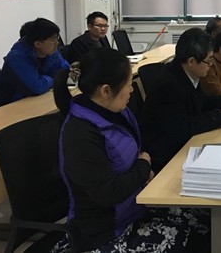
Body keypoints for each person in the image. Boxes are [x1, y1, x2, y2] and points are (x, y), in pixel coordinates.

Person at [52, 48, 210, 252]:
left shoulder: (115, 112)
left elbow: (131, 154)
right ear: (106, 91)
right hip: (104, 232)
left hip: (134, 208)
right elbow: (107, 193)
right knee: (192, 238)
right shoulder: (80, 134)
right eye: (128, 84)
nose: (132, 90)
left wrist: (144, 169)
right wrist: (143, 167)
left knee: (205, 218)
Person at [140, 28, 221, 173]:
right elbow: (182, 128)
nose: (210, 65)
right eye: (208, 61)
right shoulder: (168, 85)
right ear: (191, 61)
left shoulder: (186, 73)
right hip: (167, 157)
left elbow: (202, 102)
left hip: (182, 144)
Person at [0, 18, 70, 108]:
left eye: (57, 38)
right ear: (38, 44)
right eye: (53, 39)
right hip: (8, 106)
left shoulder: (50, 51)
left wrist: (49, 79)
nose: (57, 43)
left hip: (37, 100)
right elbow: (37, 87)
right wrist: (55, 79)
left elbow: (66, 71)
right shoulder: (17, 57)